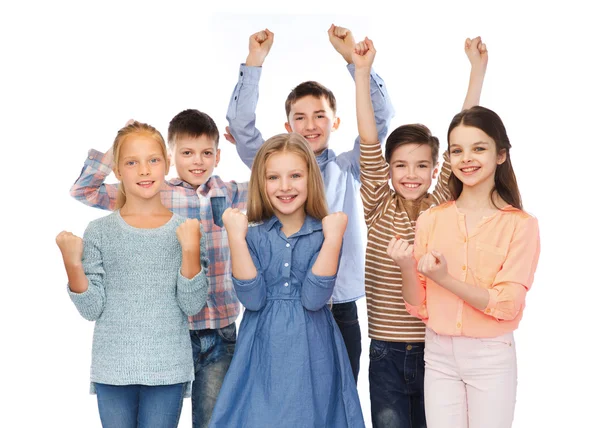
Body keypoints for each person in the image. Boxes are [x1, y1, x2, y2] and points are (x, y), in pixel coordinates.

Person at [225, 25, 395, 381]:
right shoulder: (273, 164)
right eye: (299, 117)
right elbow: (241, 127)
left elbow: (379, 122)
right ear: (287, 125)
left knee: (339, 395)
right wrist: (254, 62)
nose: (310, 125)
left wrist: (354, 61)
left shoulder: (348, 167)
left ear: (335, 120)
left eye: (319, 115)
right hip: (281, 306)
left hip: (338, 304)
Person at [69, 110, 247, 427]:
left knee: (214, 421)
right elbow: (85, 190)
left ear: (218, 156)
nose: (198, 161)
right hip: (172, 335)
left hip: (218, 327)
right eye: (187, 153)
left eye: (207, 153)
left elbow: (273, 181)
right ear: (172, 157)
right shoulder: (152, 190)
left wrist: (248, 142)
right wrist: (119, 149)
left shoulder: (226, 191)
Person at [354, 36, 488, 427]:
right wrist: (361, 74)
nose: (410, 175)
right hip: (386, 351)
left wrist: (476, 72)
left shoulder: (442, 202)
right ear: (389, 170)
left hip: (438, 348)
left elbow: (463, 138)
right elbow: (368, 140)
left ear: (434, 170)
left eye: (420, 166)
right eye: (400, 166)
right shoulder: (378, 204)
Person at [388, 106, 540, 428]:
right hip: (439, 353)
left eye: (478, 148)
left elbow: (507, 305)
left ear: (501, 155)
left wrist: (445, 279)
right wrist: (405, 265)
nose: (466, 158)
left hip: (490, 356)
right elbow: (419, 305)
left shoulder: (521, 226)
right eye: (457, 150)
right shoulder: (431, 219)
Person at [209, 133, 365, 427]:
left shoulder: (326, 233)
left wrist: (333, 240)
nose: (284, 186)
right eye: (273, 177)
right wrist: (235, 238)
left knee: (310, 416)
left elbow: (313, 299)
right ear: (261, 182)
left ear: (311, 178)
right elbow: (253, 299)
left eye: (295, 175)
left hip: (312, 350)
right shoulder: (251, 235)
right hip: (262, 350)